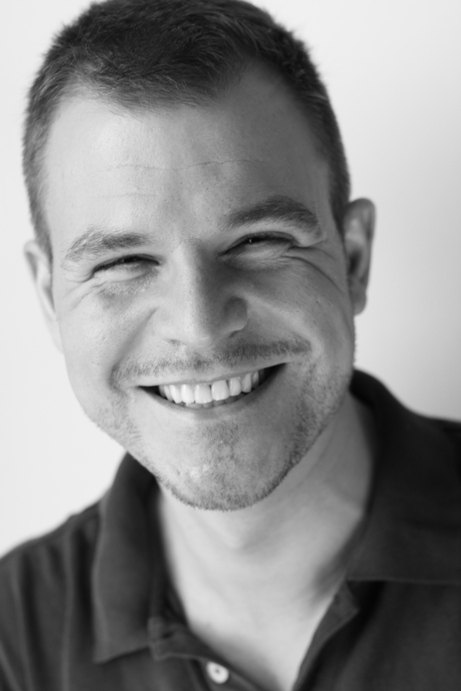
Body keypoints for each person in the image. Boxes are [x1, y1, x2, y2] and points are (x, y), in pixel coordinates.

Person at [0, 0, 460, 689]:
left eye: (259, 240)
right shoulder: (14, 640)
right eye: (123, 262)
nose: (200, 325)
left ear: (353, 258)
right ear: (49, 299)